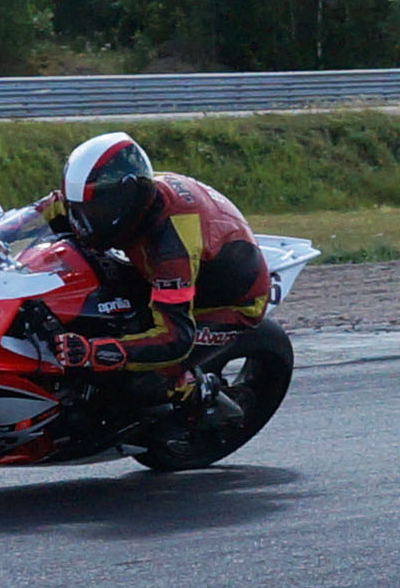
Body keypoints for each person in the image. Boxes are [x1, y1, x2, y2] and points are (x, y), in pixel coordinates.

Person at [35, 131, 269, 423]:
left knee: (143, 381)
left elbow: (175, 340)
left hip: (225, 301)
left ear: (127, 201)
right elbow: (41, 212)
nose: (84, 221)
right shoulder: (102, 194)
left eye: (97, 211)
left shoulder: (170, 250)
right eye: (79, 209)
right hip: (165, 269)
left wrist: (93, 352)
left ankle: (198, 393)